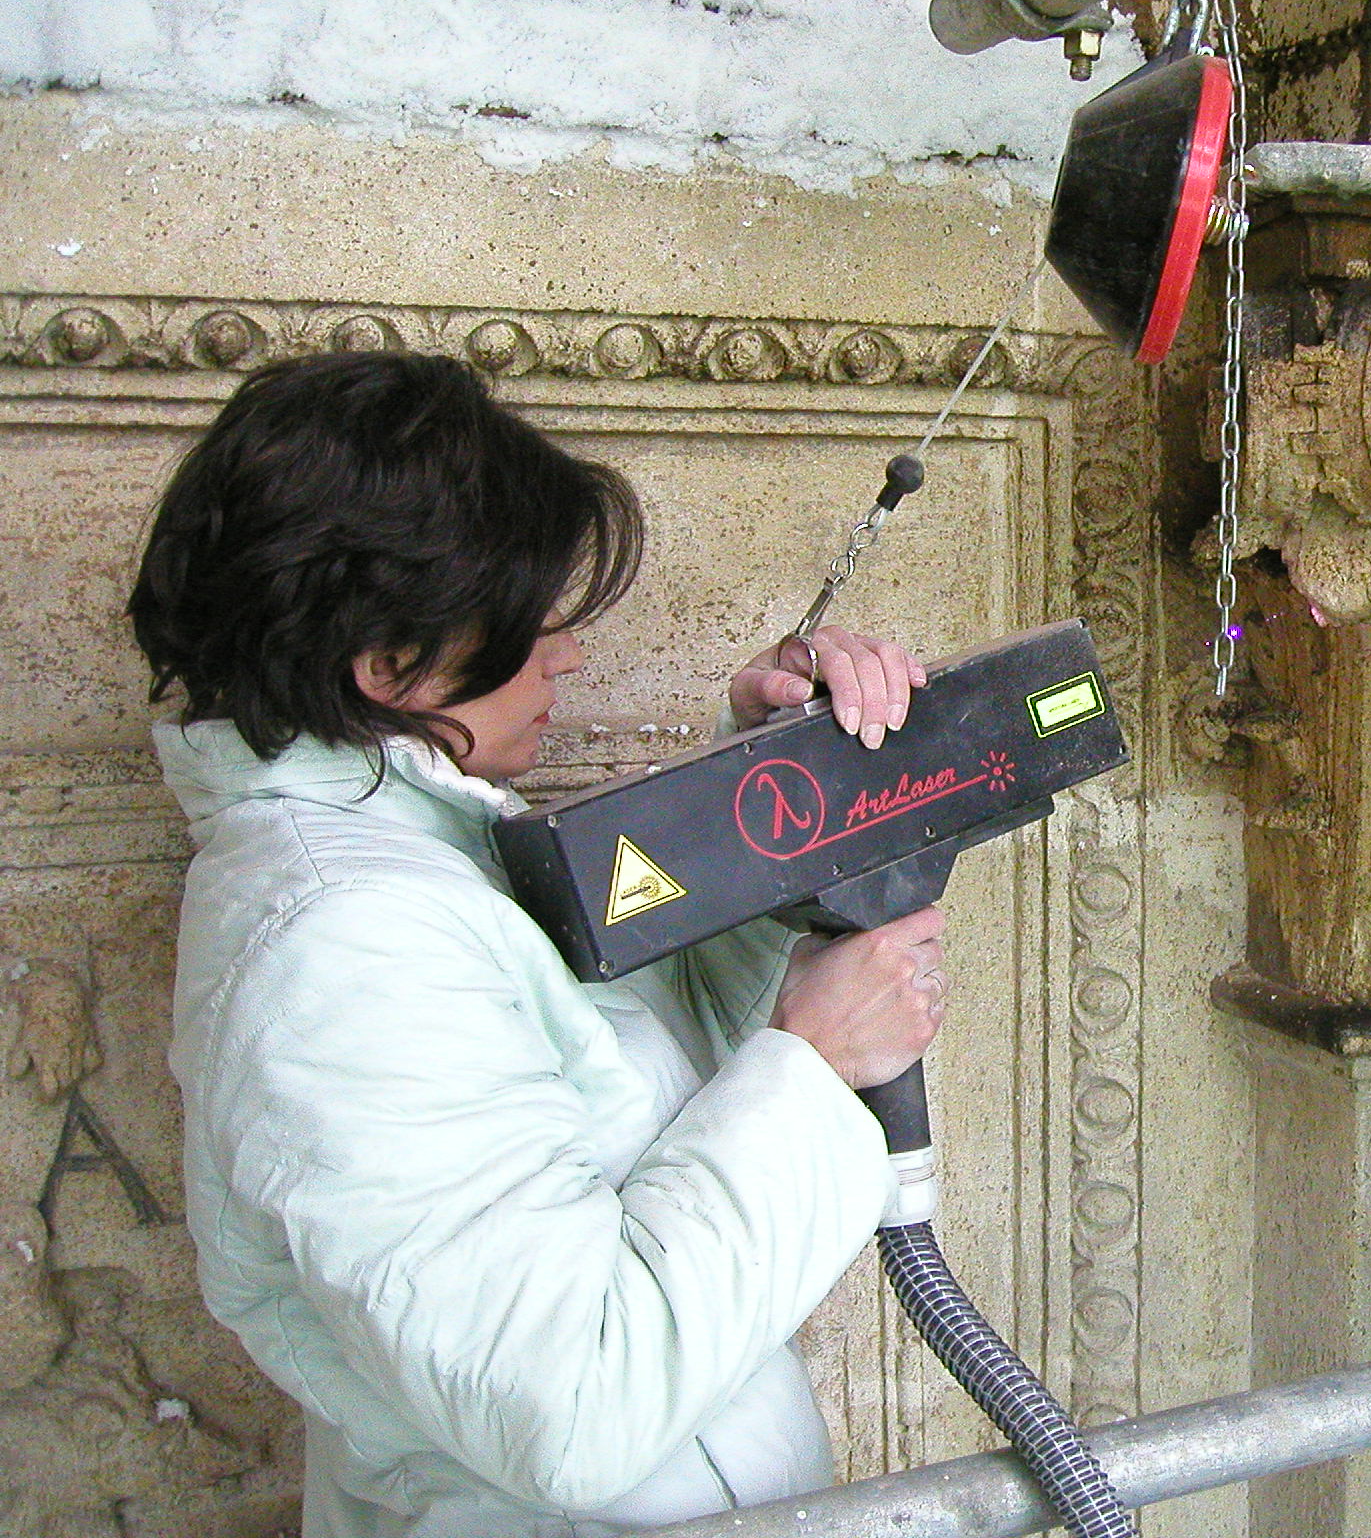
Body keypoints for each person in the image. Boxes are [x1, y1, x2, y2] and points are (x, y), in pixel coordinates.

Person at [128, 351, 951, 1537]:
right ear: (389, 665)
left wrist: (766, 804)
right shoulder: (341, 953)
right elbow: (573, 1405)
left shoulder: (422, 855)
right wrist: (813, 1066)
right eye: (529, 617)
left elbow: (643, 1103)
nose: (565, 652)